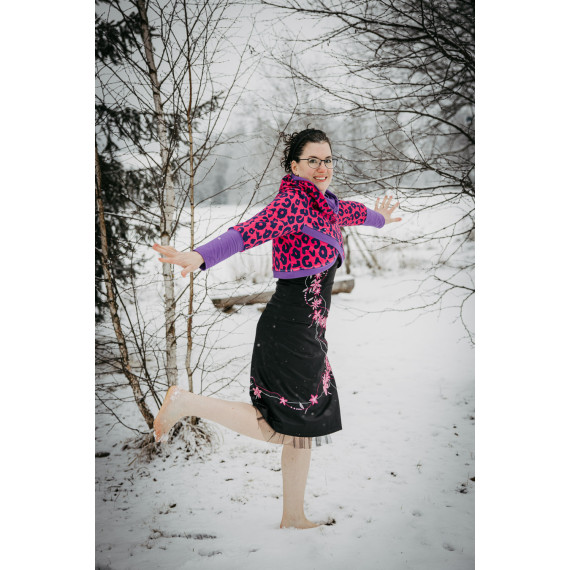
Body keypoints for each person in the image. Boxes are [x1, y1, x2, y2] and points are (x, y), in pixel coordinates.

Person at [152, 128, 402, 529]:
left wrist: (381, 218)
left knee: (304, 428)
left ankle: (293, 517)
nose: (322, 168)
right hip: (289, 329)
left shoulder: (326, 205)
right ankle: (187, 404)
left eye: (327, 160)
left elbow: (354, 212)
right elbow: (245, 234)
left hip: (308, 332)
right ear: (294, 166)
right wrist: (199, 256)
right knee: (280, 426)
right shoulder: (291, 205)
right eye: (313, 161)